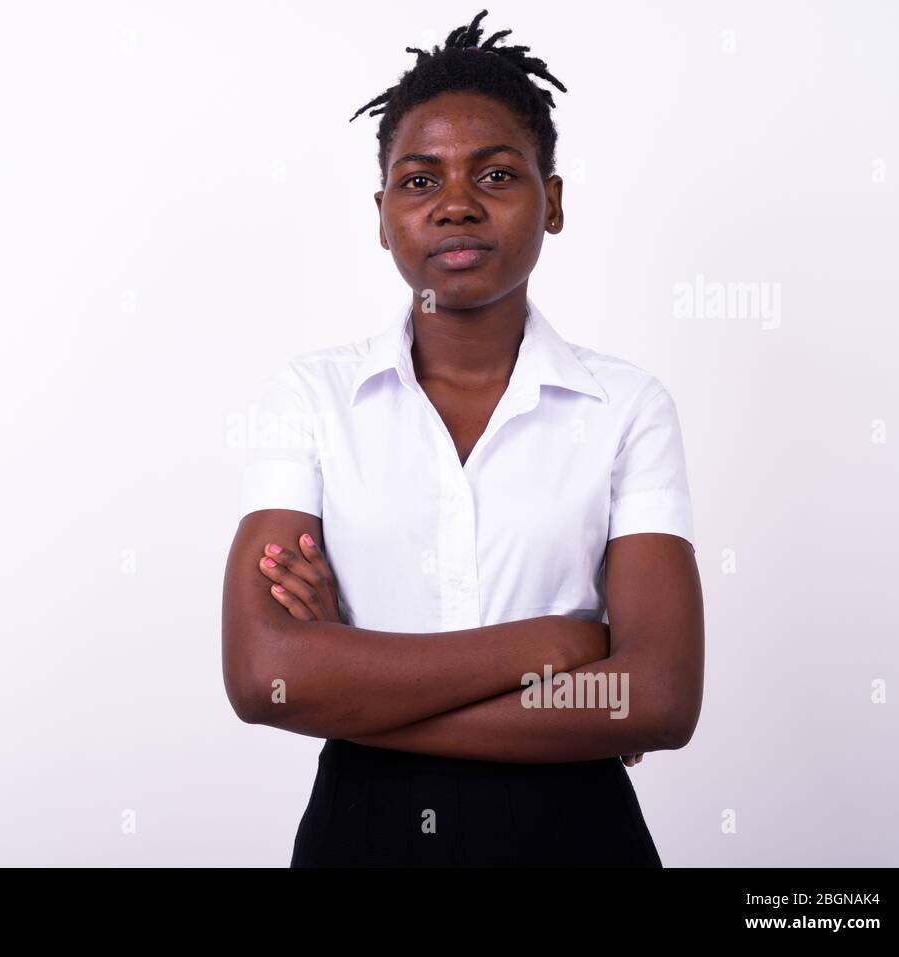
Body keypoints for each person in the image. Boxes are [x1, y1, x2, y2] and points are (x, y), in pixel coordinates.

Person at [221, 9, 704, 867]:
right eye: (419, 181)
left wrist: (354, 681)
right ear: (382, 216)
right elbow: (264, 676)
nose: (454, 205)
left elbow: (659, 696)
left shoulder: (625, 406)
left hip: (576, 839)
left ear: (550, 202)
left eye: (495, 175)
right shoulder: (313, 397)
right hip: (362, 837)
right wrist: (556, 646)